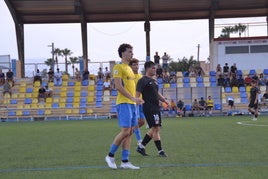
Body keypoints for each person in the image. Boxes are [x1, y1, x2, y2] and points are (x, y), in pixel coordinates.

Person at [105, 43, 143, 170]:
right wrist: (132, 98)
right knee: (125, 131)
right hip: (124, 102)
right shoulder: (118, 67)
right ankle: (110, 156)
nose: (132, 53)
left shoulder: (129, 69)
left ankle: (125, 161)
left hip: (132, 104)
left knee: (130, 132)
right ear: (122, 53)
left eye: (132, 51)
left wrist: (136, 99)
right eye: (129, 51)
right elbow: (118, 86)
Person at [136, 61, 169, 157]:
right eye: (153, 68)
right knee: (155, 128)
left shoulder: (154, 81)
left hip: (155, 107)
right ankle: (160, 151)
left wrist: (164, 100)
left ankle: (141, 146)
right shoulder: (142, 80)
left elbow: (156, 93)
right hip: (149, 108)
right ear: (147, 69)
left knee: (156, 127)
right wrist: (138, 103)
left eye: (155, 68)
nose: (155, 70)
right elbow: (137, 94)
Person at [129, 58, 146, 147]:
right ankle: (139, 140)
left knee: (142, 122)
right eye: (134, 65)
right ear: (130, 66)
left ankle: (127, 133)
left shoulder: (140, 76)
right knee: (136, 121)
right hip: (134, 102)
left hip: (141, 102)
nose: (136, 66)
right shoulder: (130, 76)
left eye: (137, 64)